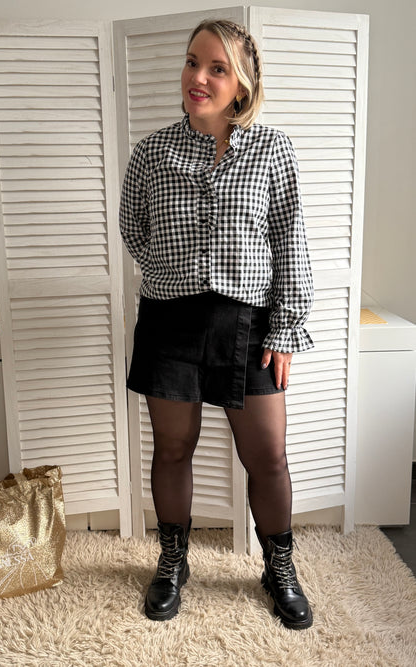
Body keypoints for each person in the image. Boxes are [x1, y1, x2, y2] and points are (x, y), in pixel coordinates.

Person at [119, 18, 314, 630]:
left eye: (217, 68)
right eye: (191, 62)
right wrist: (174, 269)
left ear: (242, 84)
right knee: (173, 448)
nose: (197, 77)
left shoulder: (272, 150)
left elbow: (290, 243)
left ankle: (278, 567)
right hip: (170, 319)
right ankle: (173, 561)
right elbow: (132, 228)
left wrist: (285, 329)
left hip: (248, 323)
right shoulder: (152, 153)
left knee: (268, 455)